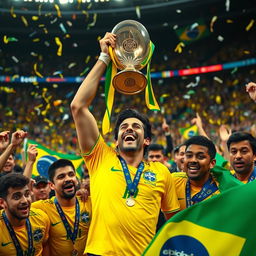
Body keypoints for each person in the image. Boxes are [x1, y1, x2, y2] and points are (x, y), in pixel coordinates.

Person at [71, 32, 180, 256]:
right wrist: (104, 57)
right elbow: (78, 106)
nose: (129, 128)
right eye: (123, 127)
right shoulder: (100, 156)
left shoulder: (162, 172)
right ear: (116, 140)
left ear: (147, 140)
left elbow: (174, 224)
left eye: (136, 126)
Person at [32, 159, 91, 256]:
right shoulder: (42, 207)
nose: (68, 179)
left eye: (71, 174)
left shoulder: (88, 202)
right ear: (51, 185)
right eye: (61, 177)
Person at [173, 135, 240, 211]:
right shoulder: (173, 181)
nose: (193, 160)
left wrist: (224, 143)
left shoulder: (225, 189)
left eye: (200, 157)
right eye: (189, 155)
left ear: (212, 163)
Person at [0, 173, 50, 255]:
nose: (24, 201)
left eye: (27, 194)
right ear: (2, 202)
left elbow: (45, 246)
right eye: (16, 197)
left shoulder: (41, 217)